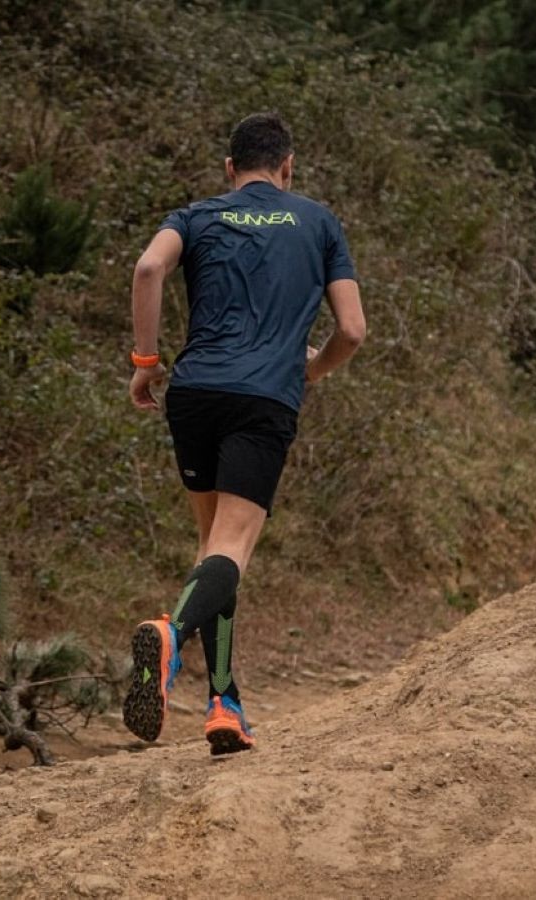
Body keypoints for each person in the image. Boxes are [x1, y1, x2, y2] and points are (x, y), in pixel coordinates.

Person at [121, 112, 366, 755]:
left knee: (213, 550)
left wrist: (145, 366)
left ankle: (225, 706)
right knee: (231, 549)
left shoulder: (196, 215)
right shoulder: (318, 222)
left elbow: (148, 271)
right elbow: (353, 331)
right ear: (288, 168)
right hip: (263, 400)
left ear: (230, 170)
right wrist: (311, 370)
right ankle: (170, 636)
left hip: (194, 393)